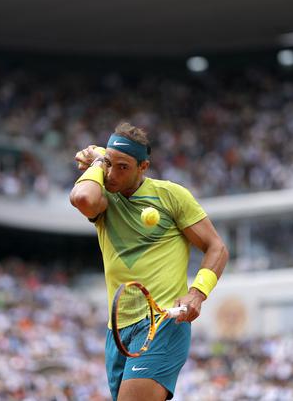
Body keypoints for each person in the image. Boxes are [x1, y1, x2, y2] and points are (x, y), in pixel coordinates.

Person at [70, 122, 229, 401]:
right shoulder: (104, 193)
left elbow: (217, 248)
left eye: (124, 167)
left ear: (143, 167)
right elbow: (82, 197)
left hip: (162, 322)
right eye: (110, 164)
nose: (114, 174)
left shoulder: (171, 196)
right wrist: (99, 162)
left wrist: (197, 293)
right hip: (118, 332)